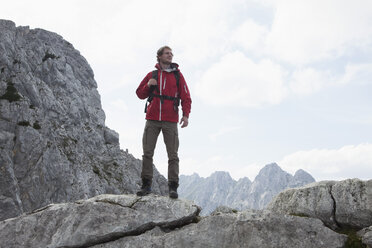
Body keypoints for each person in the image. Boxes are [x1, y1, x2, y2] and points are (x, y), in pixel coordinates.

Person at [136, 46, 192, 199]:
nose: (170, 55)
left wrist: (186, 115)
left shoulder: (178, 76)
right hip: (152, 119)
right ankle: (146, 185)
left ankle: (173, 188)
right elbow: (139, 94)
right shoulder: (152, 74)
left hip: (170, 120)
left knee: (173, 155)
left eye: (171, 53)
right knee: (147, 153)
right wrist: (148, 85)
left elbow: (186, 97)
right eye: (167, 53)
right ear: (159, 56)